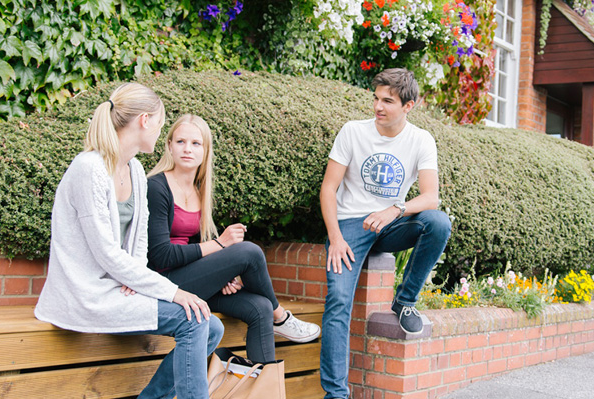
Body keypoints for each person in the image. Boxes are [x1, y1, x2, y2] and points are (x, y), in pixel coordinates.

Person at [35, 83, 224, 399]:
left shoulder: (135, 169)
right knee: (192, 321)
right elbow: (106, 252)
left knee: (211, 326)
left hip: (119, 289)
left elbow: (137, 243)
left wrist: (135, 279)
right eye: (161, 125)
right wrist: (173, 292)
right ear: (144, 121)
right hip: (89, 295)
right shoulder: (89, 168)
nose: (161, 134)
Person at [319, 68, 452, 398]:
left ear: (409, 106)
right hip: (350, 224)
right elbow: (328, 189)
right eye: (376, 98)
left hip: (390, 222)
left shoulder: (420, 139)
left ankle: (405, 302)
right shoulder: (353, 132)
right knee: (337, 301)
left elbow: (430, 196)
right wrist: (335, 237)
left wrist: (394, 208)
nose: (378, 107)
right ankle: (336, 395)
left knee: (437, 222)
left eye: (387, 101)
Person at [145, 114, 320, 364]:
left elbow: (195, 246)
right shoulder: (156, 187)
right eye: (181, 141)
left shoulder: (199, 191)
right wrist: (220, 244)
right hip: (165, 284)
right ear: (169, 145)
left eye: (196, 143)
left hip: (191, 280)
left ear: (205, 151)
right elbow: (160, 255)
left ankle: (263, 389)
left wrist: (221, 276)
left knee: (260, 307)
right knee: (248, 252)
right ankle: (280, 317)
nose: (187, 149)